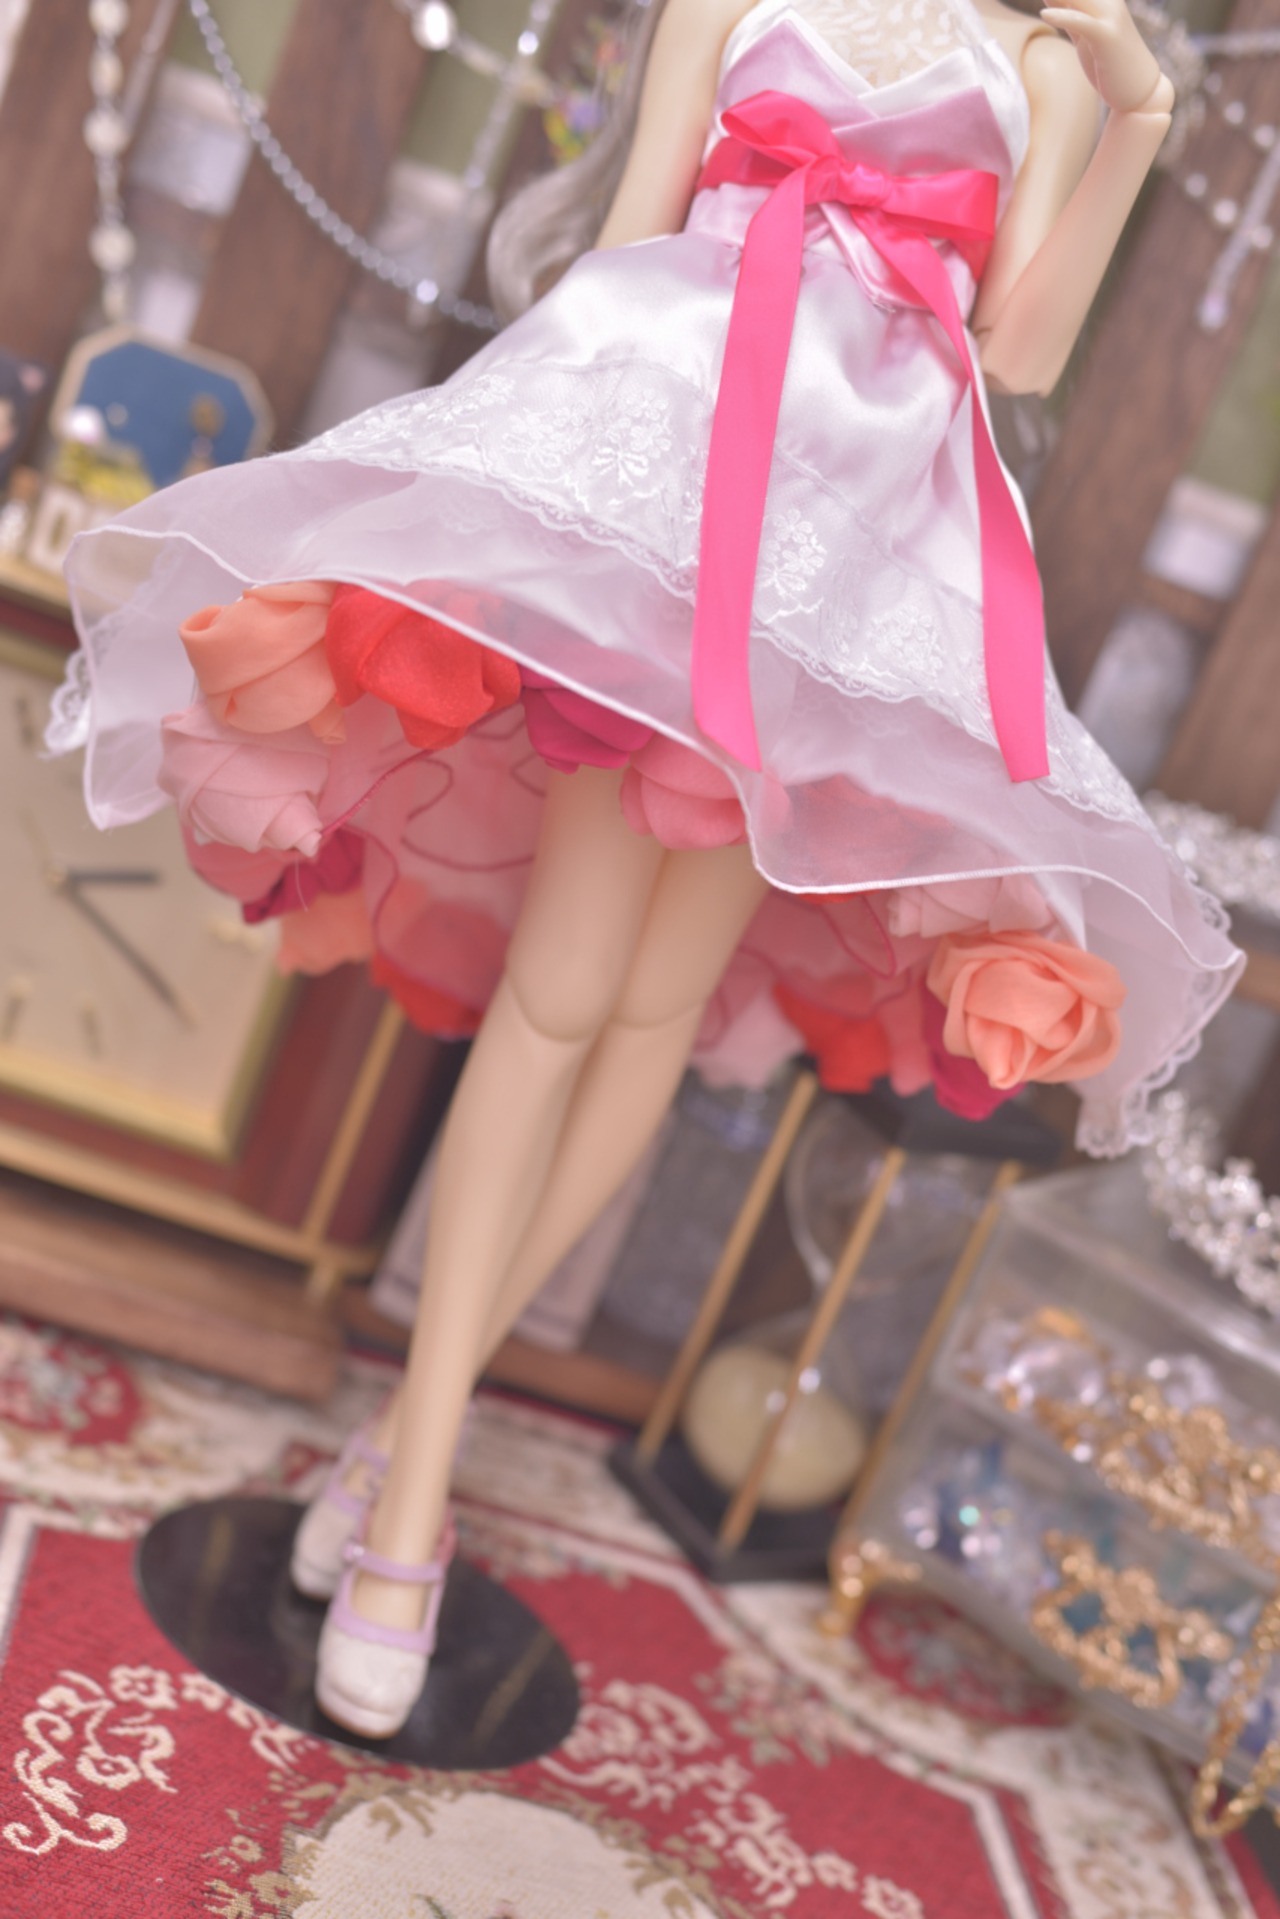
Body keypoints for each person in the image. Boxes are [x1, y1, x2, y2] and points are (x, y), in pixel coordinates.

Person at [58, 0, 1240, 1735]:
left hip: (851, 573)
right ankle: (407, 1506)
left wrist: (1133, 114)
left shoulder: (1043, 63)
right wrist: (551, 506)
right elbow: (626, 256)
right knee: (558, 1001)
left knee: (647, 1023)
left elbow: (1023, 358)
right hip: (672, 516)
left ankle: (405, 1447)